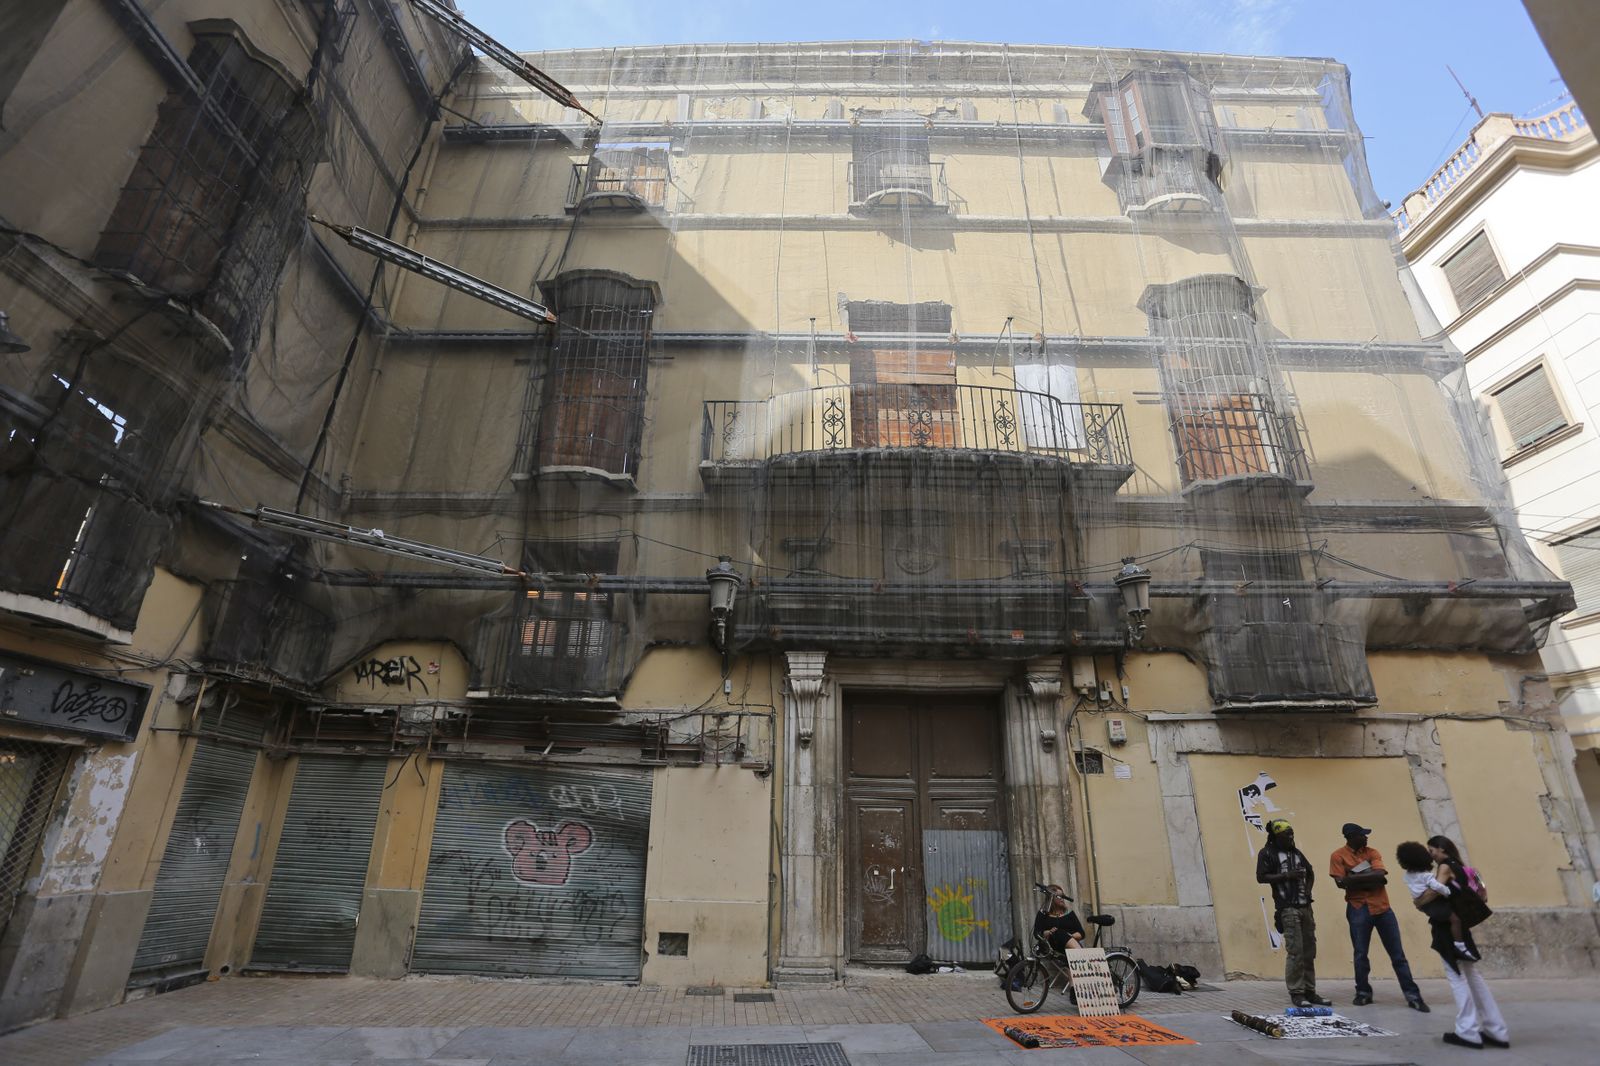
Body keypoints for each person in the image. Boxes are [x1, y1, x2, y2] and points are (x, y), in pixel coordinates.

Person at [1398, 837, 1510, 1051]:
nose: (1430, 854)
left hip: (1446, 927)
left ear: (1441, 849)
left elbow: (1431, 893)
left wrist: (1417, 902)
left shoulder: (1444, 866)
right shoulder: (1460, 866)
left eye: (1432, 850)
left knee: (1456, 977)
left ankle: (1468, 1031)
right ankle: (1496, 1030)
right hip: (1460, 926)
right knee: (1472, 976)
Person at [1328, 822, 1428, 1011]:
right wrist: (1369, 876)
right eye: (1362, 835)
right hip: (1358, 907)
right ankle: (1363, 992)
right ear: (1351, 837)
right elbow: (1340, 882)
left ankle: (1412, 995)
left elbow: (1380, 874)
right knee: (1360, 954)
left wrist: (1352, 877)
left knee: (1398, 955)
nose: (1366, 838)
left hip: (1382, 908)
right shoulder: (1338, 855)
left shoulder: (1372, 852)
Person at [1255, 818, 1330, 1007]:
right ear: (1276, 836)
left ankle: (1310, 991)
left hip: (1305, 906)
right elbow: (1261, 877)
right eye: (1287, 835)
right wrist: (1287, 875)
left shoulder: (1296, 853)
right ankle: (1297, 992)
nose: (1291, 837)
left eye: (1292, 834)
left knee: (1309, 950)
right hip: (1287, 907)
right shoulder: (1267, 853)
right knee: (1295, 950)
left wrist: (1309, 890)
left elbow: (1310, 872)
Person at [1033, 884, 1085, 954]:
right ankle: (1081, 954)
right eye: (1058, 896)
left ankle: (1080, 954)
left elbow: (1081, 933)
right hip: (1052, 948)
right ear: (1051, 898)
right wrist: (1048, 932)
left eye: (1062, 896)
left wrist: (1069, 937)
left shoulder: (1070, 914)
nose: (1062, 898)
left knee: (1061, 933)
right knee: (1057, 932)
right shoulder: (1043, 914)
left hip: (1070, 948)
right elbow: (1037, 933)